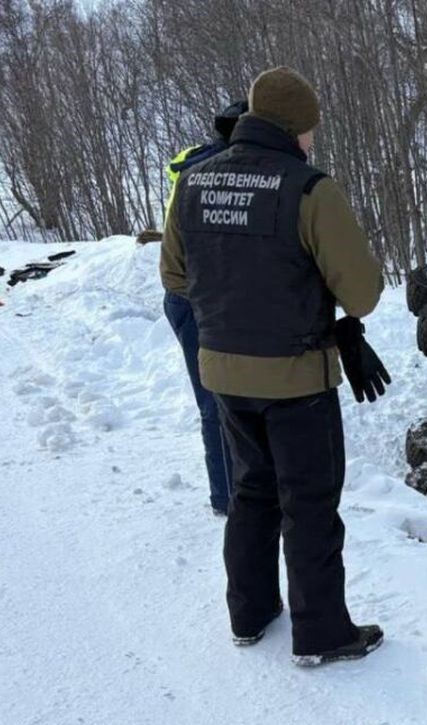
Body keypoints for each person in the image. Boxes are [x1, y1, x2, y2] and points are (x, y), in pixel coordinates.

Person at [159, 66, 391, 666]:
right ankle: (322, 634)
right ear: (295, 128)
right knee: (309, 504)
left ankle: (249, 614)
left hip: (223, 374)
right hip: (296, 380)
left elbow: (175, 278)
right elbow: (362, 292)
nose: (313, 140)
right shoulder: (310, 188)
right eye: (311, 130)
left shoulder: (194, 181)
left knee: (251, 495)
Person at [162, 99, 247, 517]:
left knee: (217, 400)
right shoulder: (220, 172)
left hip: (187, 297)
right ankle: (229, 499)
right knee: (219, 402)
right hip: (200, 298)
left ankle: (232, 493)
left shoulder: (191, 162)